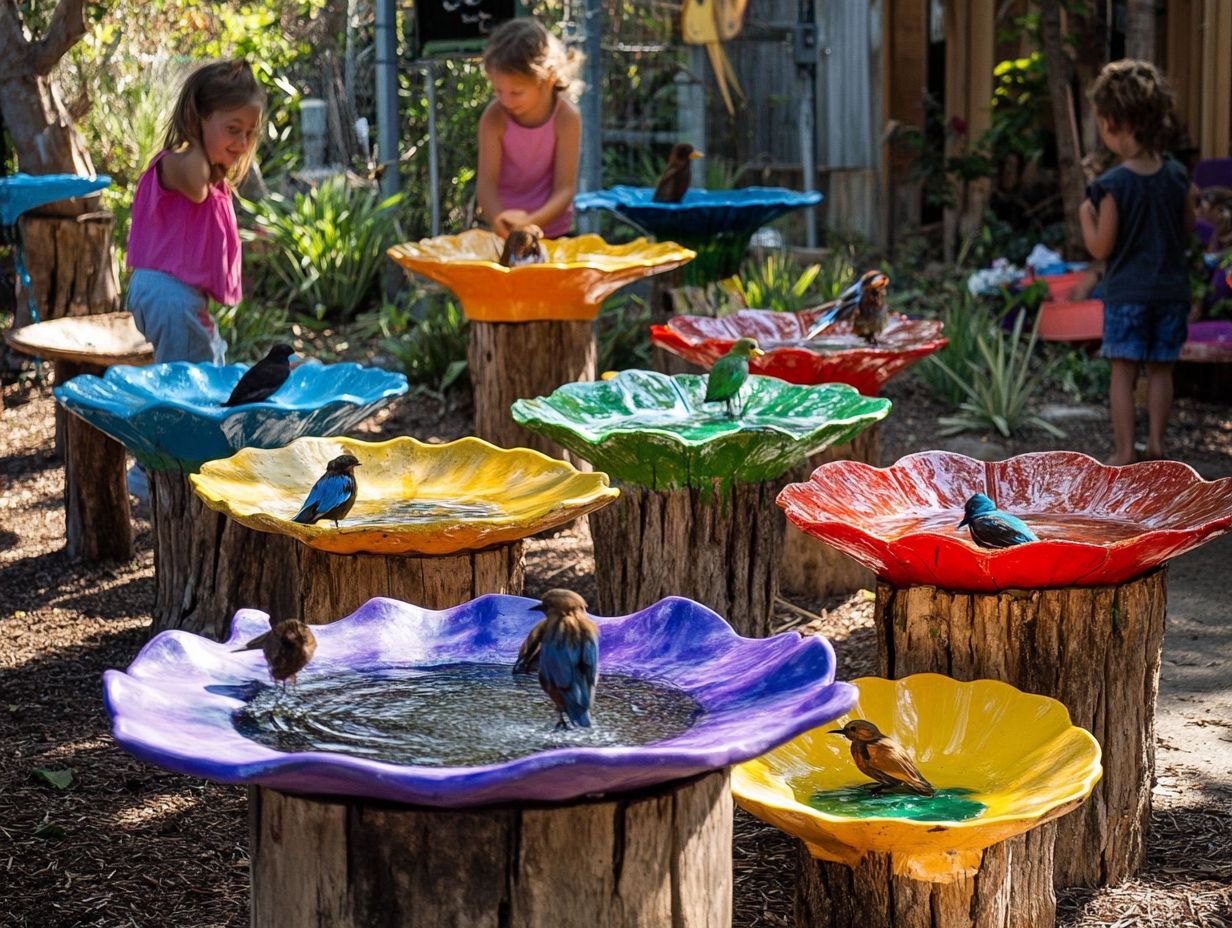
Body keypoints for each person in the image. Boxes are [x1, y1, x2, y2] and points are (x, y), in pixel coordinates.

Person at [1079, 60, 1197, 466]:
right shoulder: (1178, 175)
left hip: (1128, 295)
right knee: (1161, 370)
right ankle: (1159, 446)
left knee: (1123, 373)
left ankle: (1125, 450)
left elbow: (1101, 248)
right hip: (1170, 292)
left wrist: (1085, 214)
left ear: (1112, 121)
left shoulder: (1112, 185)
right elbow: (1188, 227)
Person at [126, 59, 265, 365]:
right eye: (232, 129)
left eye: (249, 132)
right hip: (168, 295)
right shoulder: (179, 161)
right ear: (200, 117)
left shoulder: (207, 174)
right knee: (190, 388)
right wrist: (198, 139)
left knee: (207, 365)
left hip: (179, 297)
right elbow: (196, 186)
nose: (242, 142)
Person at [476, 18, 583, 239]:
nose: (505, 101)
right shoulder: (494, 117)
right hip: (503, 231)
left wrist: (529, 224)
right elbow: (486, 183)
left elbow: (565, 189)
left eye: (516, 92)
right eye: (498, 91)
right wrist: (500, 220)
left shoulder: (567, 118)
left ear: (548, 80)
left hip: (554, 233)